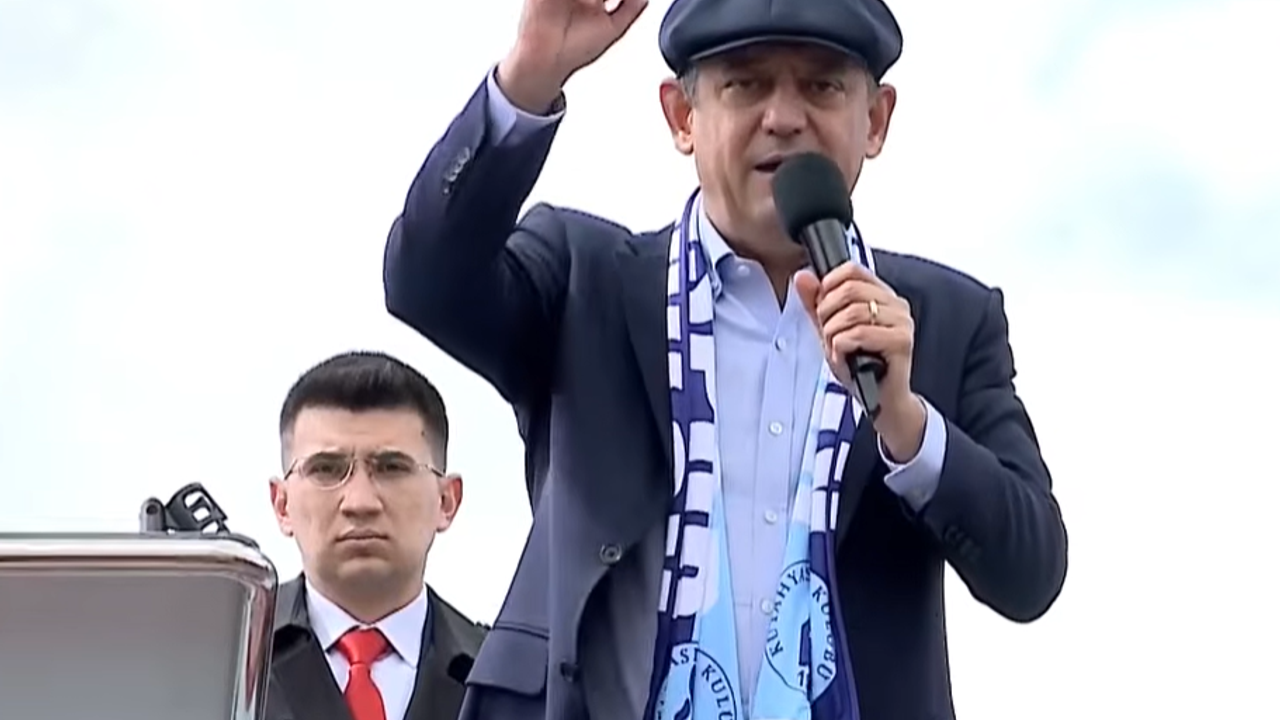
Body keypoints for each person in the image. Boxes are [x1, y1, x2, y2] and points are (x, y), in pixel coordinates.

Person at [382, 0, 1069, 716]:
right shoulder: (587, 282)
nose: (784, 117)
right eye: (746, 84)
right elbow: (425, 281)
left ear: (876, 120)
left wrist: (905, 423)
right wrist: (528, 75)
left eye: (822, 86)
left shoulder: (944, 319)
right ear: (682, 116)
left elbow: (1032, 573)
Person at [264, 351, 487, 720]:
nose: (360, 502)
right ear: (282, 504)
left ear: (446, 501)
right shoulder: (223, 659)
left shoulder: (506, 680)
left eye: (391, 468)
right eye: (326, 469)